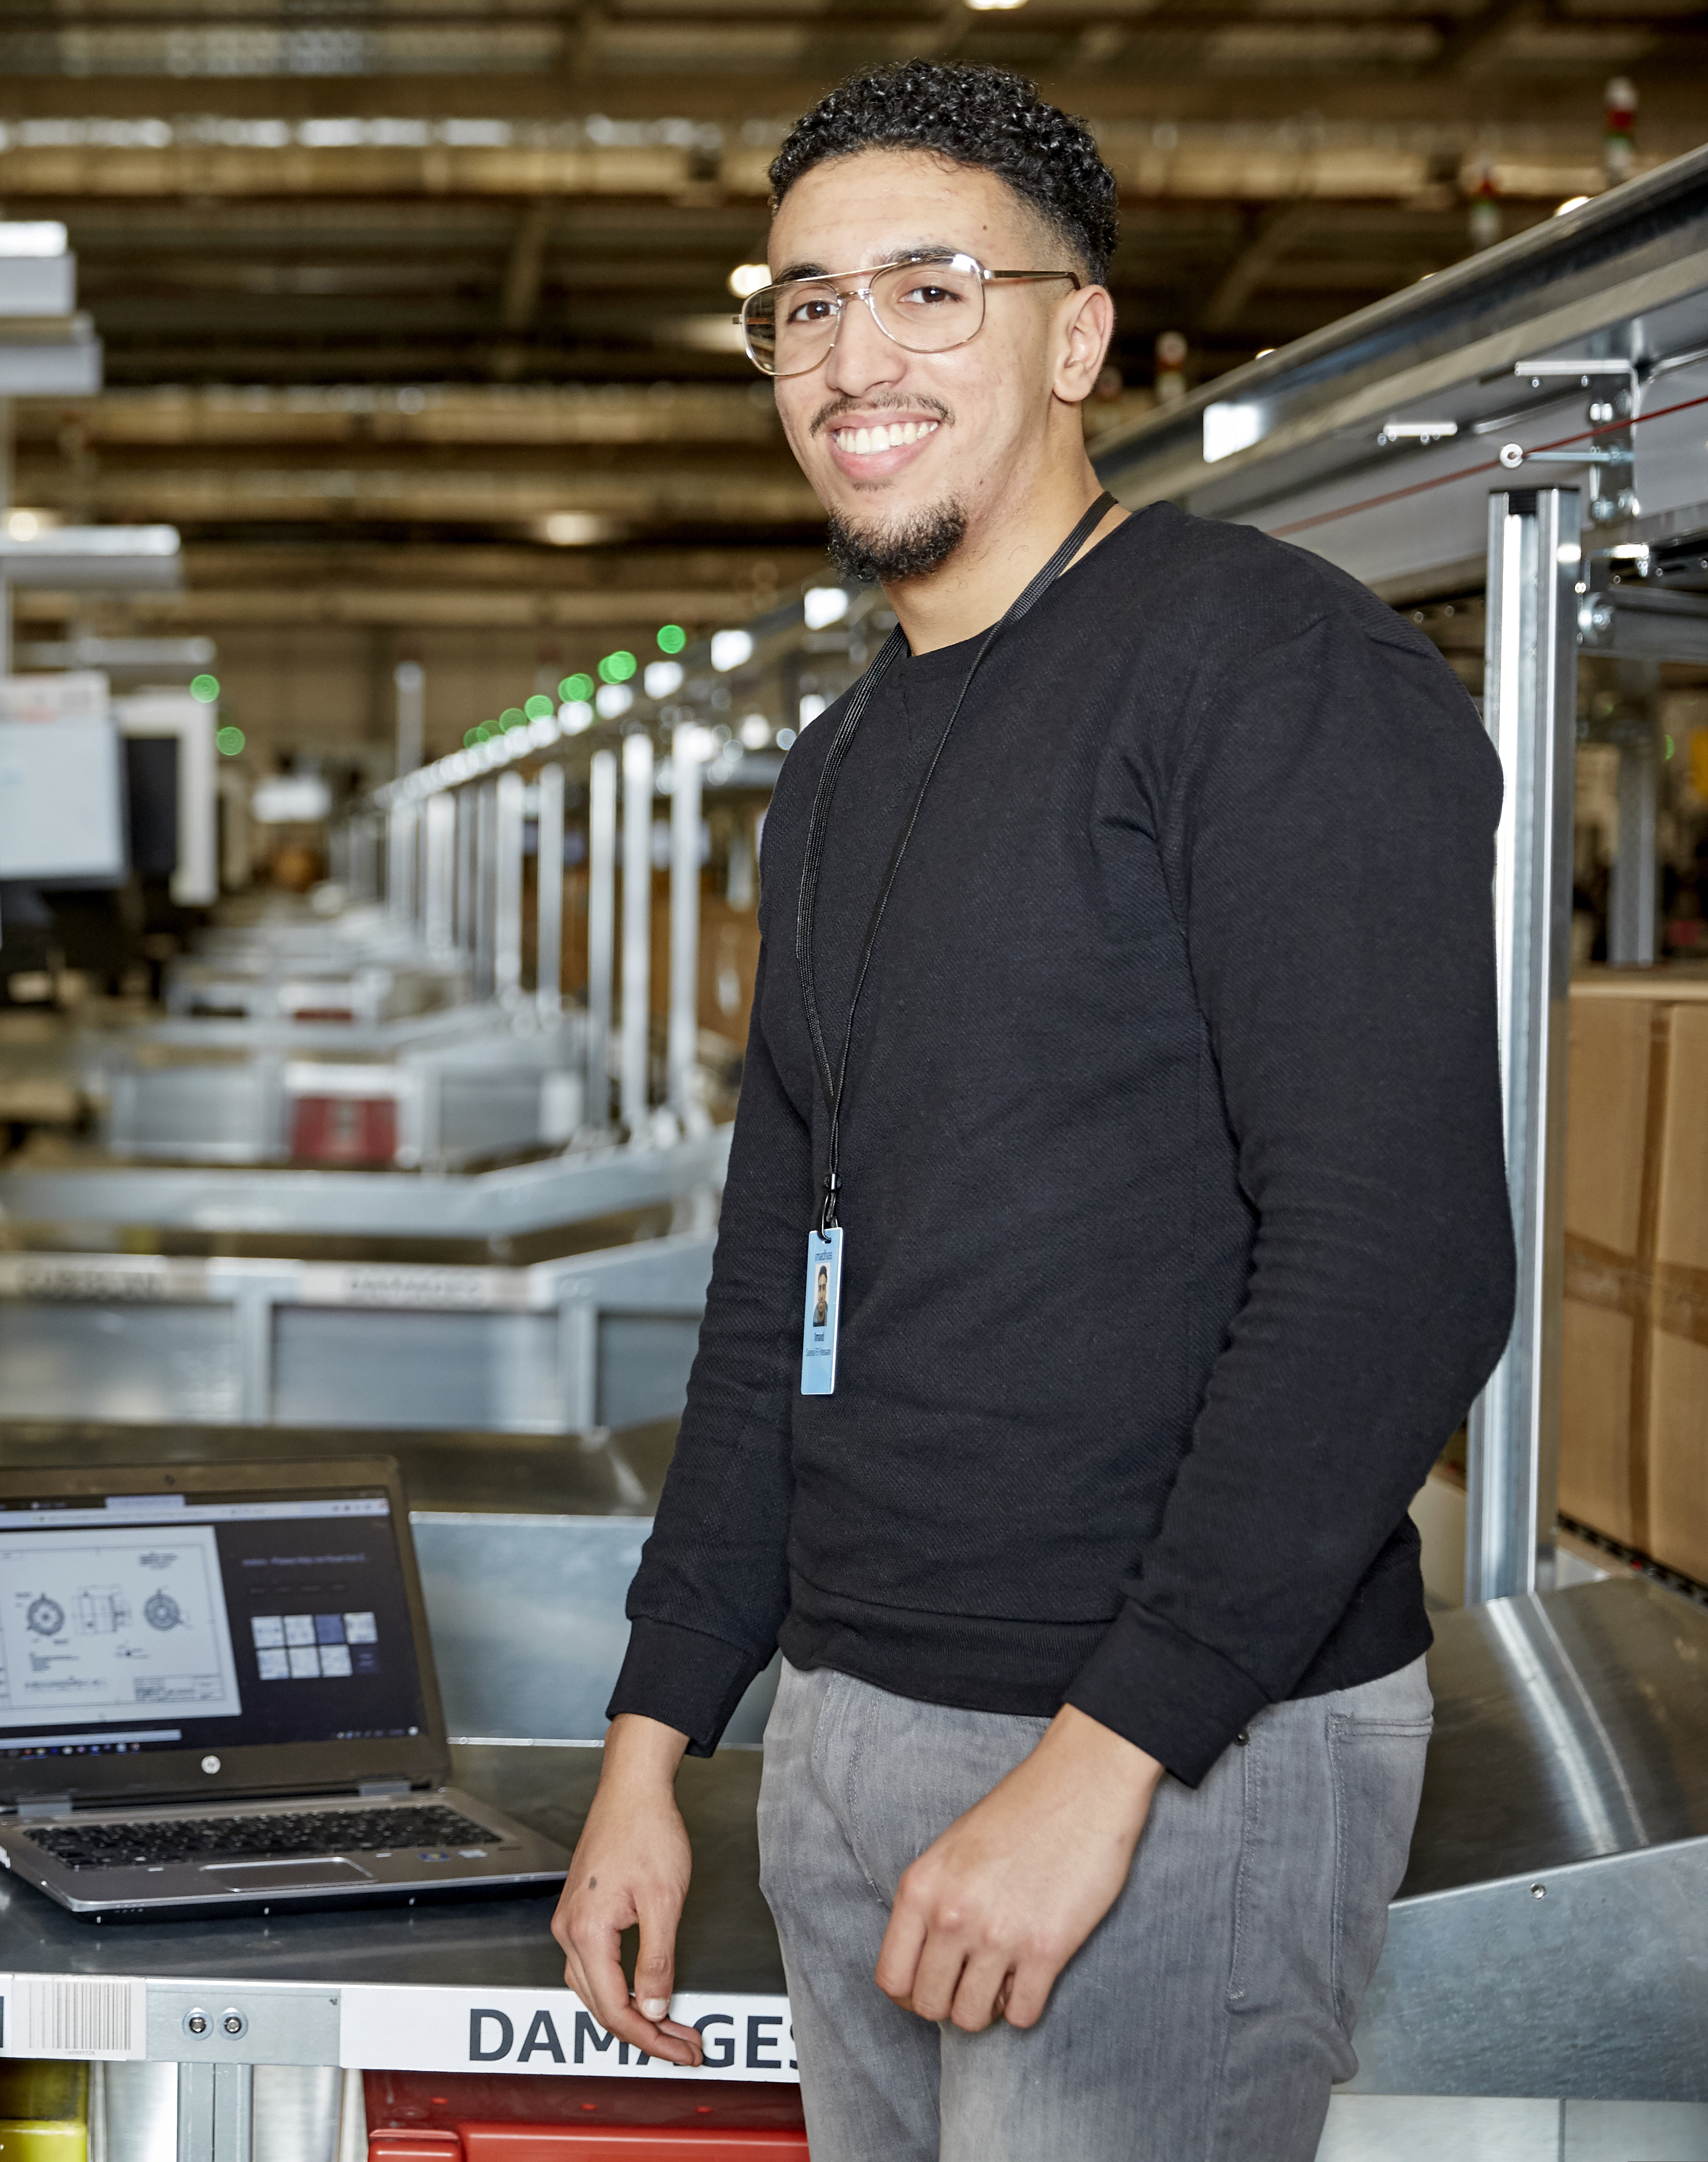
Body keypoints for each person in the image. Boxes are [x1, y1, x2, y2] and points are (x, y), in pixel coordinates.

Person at [553, 57, 1515, 2162]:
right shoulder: (840, 767)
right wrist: (655, 1737)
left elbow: (1401, 1265)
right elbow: (774, 1282)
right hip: (848, 1729)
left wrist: (1108, 1761)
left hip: (1175, 1758)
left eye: (930, 291)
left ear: (1077, 337)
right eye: (806, 306)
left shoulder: (1269, 672)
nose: (854, 359)